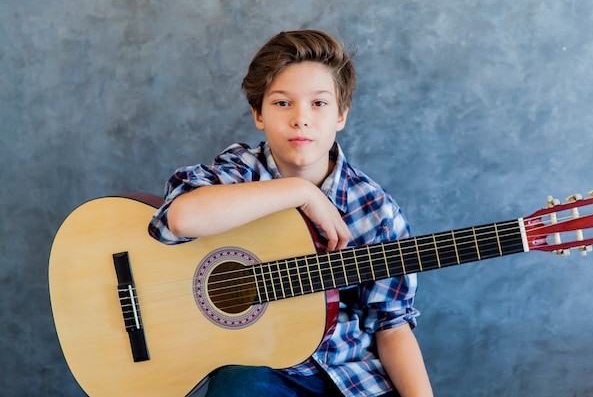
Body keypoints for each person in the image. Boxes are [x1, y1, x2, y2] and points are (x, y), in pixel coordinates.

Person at [149, 30, 433, 397]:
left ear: (341, 115)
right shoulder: (240, 171)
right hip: (261, 371)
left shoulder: (374, 210)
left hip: (351, 378)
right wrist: (299, 192)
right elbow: (181, 219)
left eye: (319, 104)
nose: (301, 119)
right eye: (283, 103)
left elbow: (392, 326)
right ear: (258, 114)